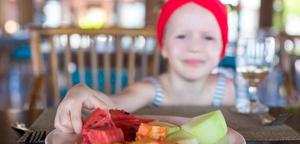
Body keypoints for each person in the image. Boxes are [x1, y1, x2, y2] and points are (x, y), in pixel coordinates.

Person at [55, 0, 235, 134]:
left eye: (208, 37)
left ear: (222, 48)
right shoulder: (151, 90)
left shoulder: (232, 89)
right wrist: (81, 91)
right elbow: (112, 105)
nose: (195, 47)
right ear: (163, 46)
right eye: (181, 36)